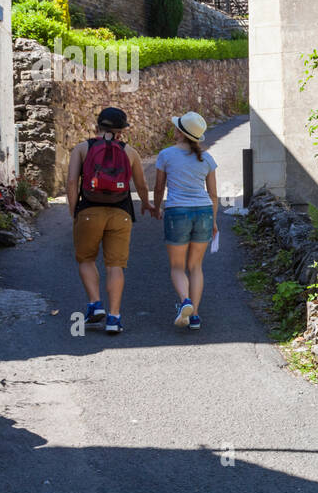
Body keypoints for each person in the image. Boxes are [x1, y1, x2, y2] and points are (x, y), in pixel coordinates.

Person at [67, 107, 155, 335]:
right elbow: (142, 185)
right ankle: (114, 317)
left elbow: (71, 183)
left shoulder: (82, 149)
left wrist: (73, 209)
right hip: (121, 213)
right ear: (122, 131)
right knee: (115, 265)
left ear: (97, 127)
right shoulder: (130, 153)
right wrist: (146, 203)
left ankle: (95, 304)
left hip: (89, 211)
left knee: (86, 259)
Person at [153, 112, 219, 331]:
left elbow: (159, 187)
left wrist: (156, 207)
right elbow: (213, 195)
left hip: (177, 212)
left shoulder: (166, 155)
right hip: (204, 212)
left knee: (177, 266)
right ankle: (196, 316)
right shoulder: (207, 159)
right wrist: (215, 222)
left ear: (180, 133)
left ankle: (185, 301)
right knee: (196, 266)